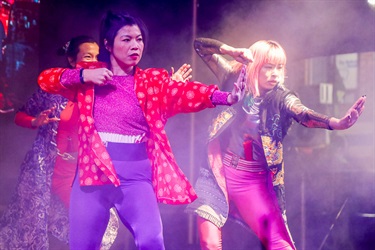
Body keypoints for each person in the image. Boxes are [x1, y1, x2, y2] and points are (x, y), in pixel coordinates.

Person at [36, 11, 246, 250]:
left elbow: (187, 92)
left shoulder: (151, 81)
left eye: (139, 39)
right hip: (93, 174)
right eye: (126, 39)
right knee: (83, 246)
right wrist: (84, 73)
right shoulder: (91, 78)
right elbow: (46, 79)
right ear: (108, 43)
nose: (135, 45)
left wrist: (227, 97)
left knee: (152, 241)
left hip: (136, 177)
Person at [185, 37, 366, 250]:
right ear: (253, 66)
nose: (275, 73)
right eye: (268, 67)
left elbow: (303, 114)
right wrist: (231, 51)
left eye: (280, 68)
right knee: (210, 243)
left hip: (251, 182)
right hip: (217, 174)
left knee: (281, 246)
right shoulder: (233, 78)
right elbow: (200, 46)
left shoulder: (282, 97)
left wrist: (336, 123)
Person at [0, 35, 121, 249]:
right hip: (44, 169)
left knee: (94, 221)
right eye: (87, 57)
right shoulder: (52, 89)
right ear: (73, 62)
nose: (93, 61)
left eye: (96, 56)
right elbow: (20, 116)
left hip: (79, 171)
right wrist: (35, 121)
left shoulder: (100, 92)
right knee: (33, 229)